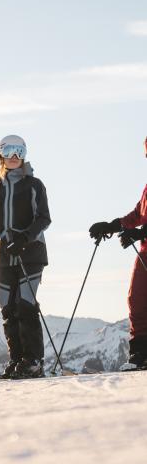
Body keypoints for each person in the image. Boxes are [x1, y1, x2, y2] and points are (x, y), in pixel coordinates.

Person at [0, 135, 52, 379]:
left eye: (19, 151)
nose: (15, 156)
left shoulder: (34, 185)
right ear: (1, 156)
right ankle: (17, 359)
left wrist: (24, 238)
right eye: (9, 151)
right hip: (4, 256)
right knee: (8, 310)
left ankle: (33, 361)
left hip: (30, 254)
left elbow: (43, 218)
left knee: (25, 306)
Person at [89, 136, 147, 370]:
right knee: (137, 300)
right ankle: (141, 354)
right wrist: (112, 226)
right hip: (145, 253)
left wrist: (140, 234)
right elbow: (137, 214)